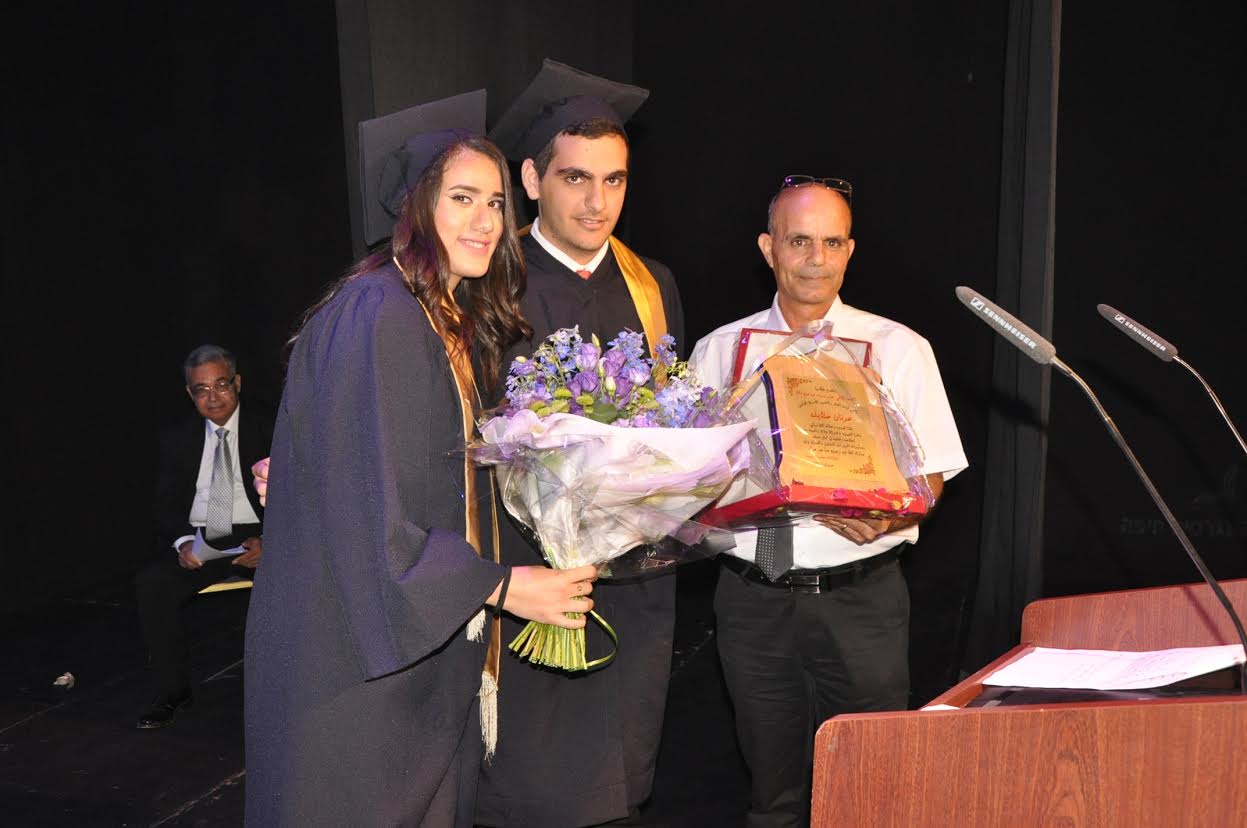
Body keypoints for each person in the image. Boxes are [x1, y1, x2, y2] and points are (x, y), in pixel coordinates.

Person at [242, 110, 596, 827]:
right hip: (353, 665)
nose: (486, 220)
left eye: (494, 201)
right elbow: (371, 515)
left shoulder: (439, 317)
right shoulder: (380, 314)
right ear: (415, 207)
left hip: (409, 655)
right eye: (461, 198)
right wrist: (503, 586)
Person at [688, 177, 969, 828]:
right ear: (769, 248)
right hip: (755, 596)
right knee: (773, 799)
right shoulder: (718, 351)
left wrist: (890, 511)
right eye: (799, 242)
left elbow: (931, 476)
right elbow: (688, 477)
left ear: (850, 250)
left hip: (860, 600)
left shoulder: (897, 348)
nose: (816, 259)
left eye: (832, 243)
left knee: (872, 795)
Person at [474, 59, 686, 828]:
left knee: (621, 784)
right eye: (575, 179)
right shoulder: (485, 283)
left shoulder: (652, 284)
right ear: (532, 179)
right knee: (533, 793)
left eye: (614, 180)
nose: (598, 203)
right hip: (529, 574)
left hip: (632, 579)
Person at [134, 344, 271, 730]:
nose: (213, 397)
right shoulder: (176, 439)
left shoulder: (273, 428)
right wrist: (183, 544)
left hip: (259, 536)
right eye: (201, 390)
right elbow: (163, 505)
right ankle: (173, 690)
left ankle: (290, 692)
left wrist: (270, 541)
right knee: (152, 583)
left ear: (237, 383)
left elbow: (302, 496)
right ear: (189, 393)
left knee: (298, 577)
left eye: (221, 385)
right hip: (202, 538)